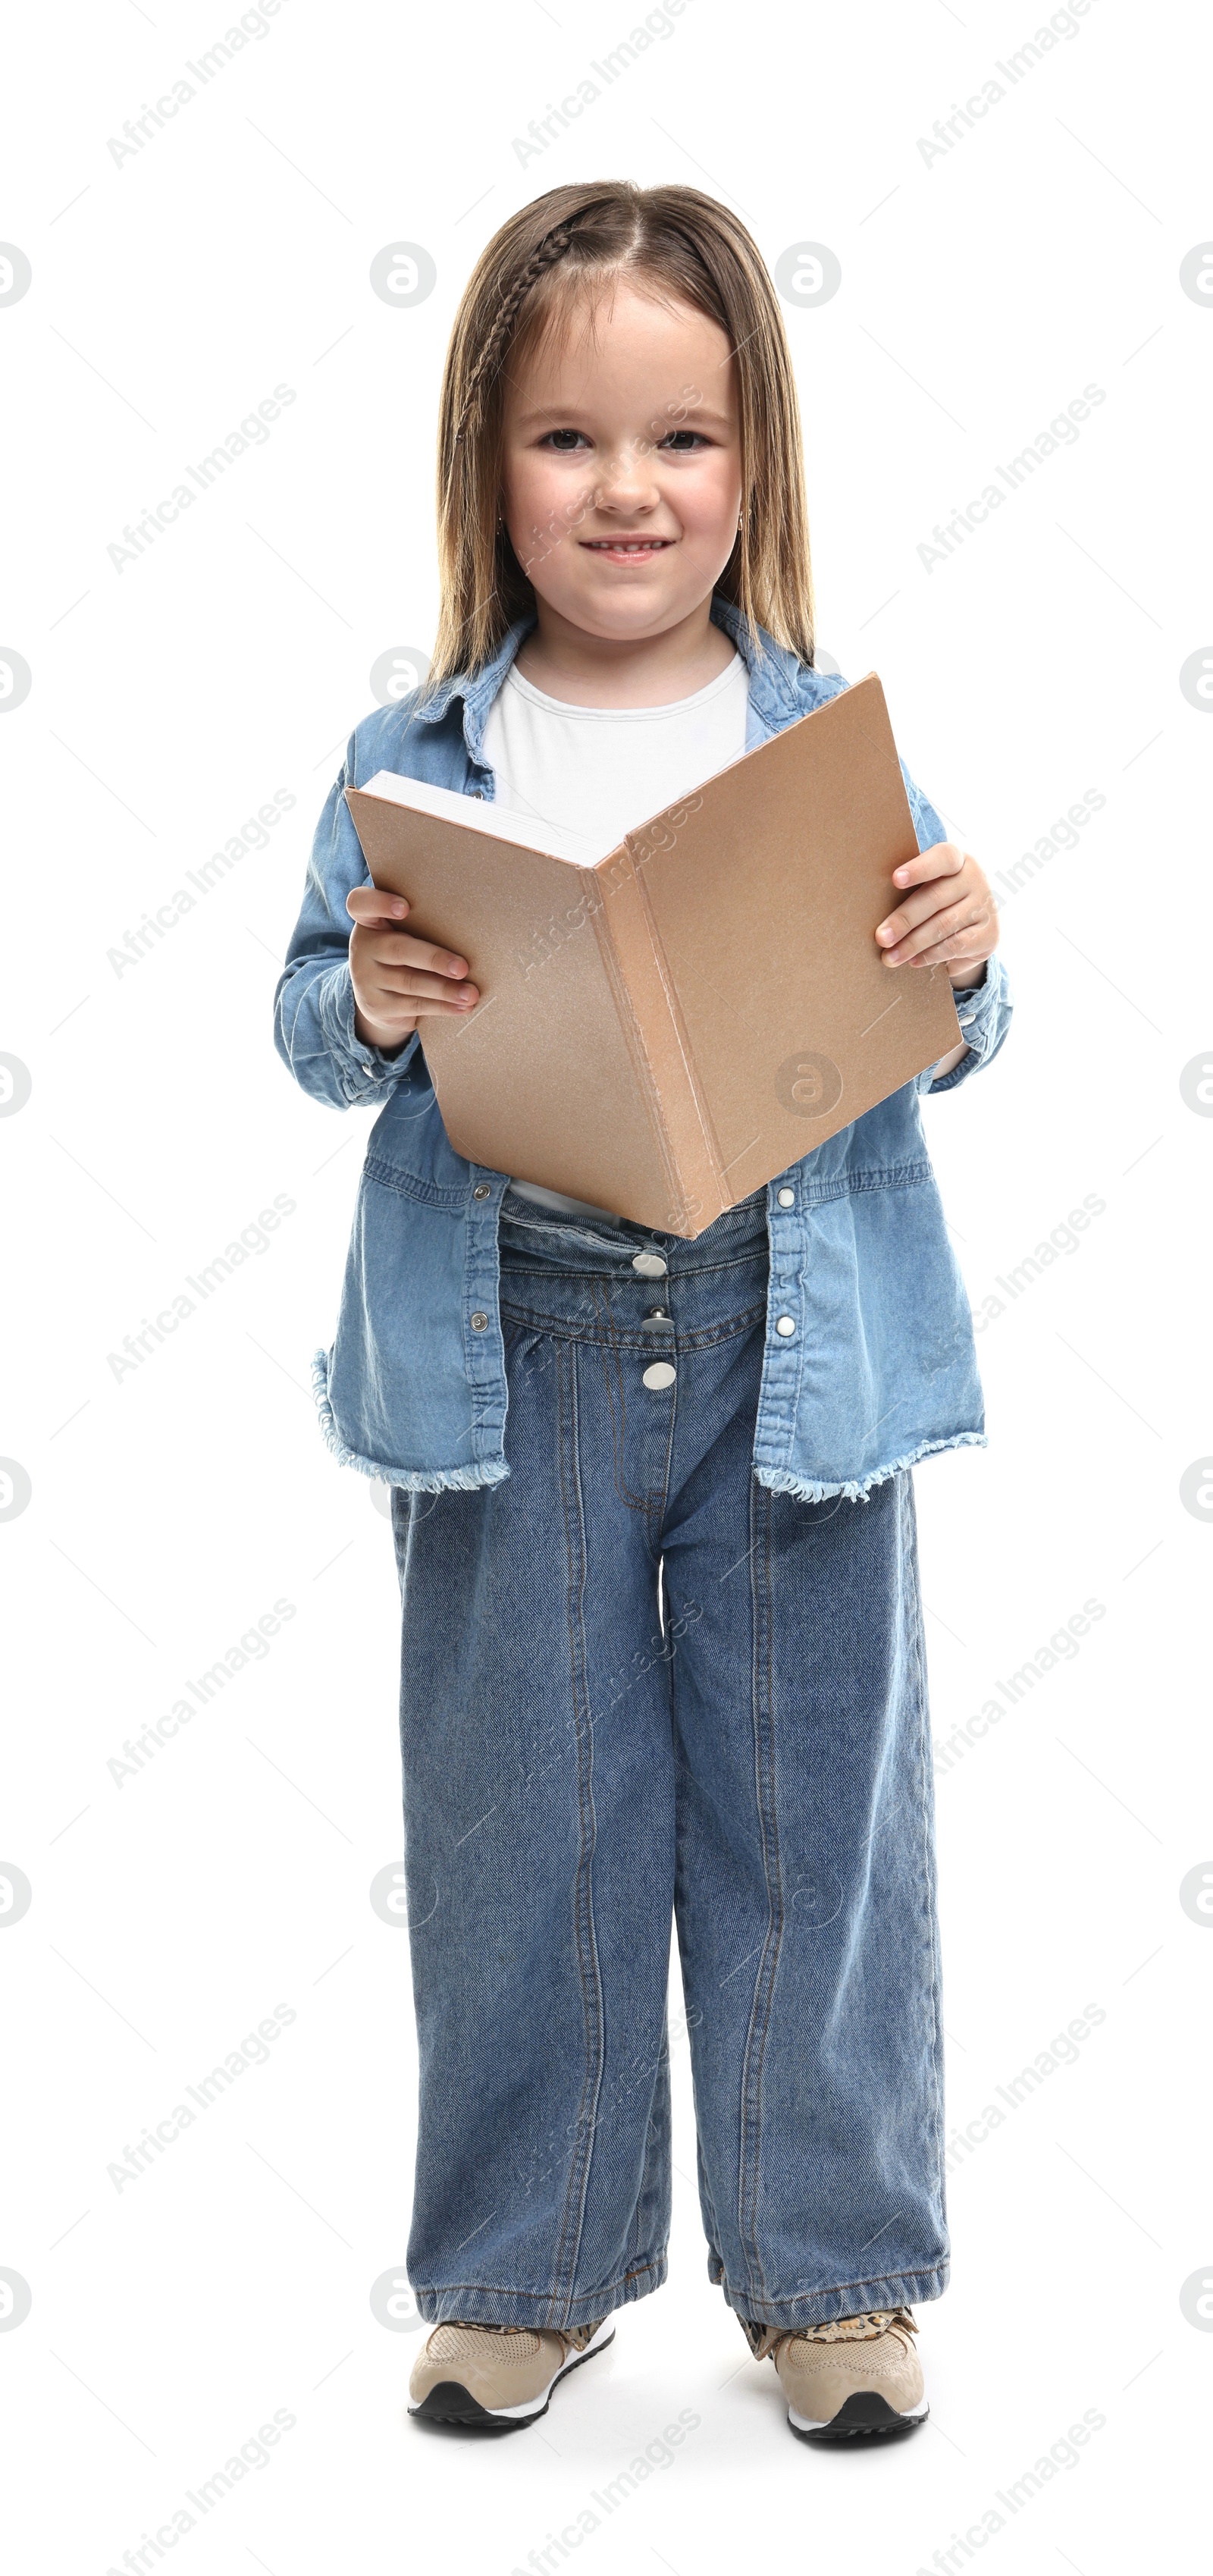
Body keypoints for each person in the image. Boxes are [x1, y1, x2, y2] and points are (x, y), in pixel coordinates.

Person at [274, 181, 1011, 2445]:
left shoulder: (824, 739)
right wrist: (379, 999)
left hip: (797, 1330)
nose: (627, 491)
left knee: (813, 1823)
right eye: (571, 439)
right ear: (490, 464)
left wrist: (967, 954)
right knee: (525, 1810)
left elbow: (955, 1024)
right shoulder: (424, 757)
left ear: (751, 466)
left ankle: (834, 2278)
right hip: (518, 1338)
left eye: (681, 442)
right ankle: (525, 2261)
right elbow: (311, 1021)